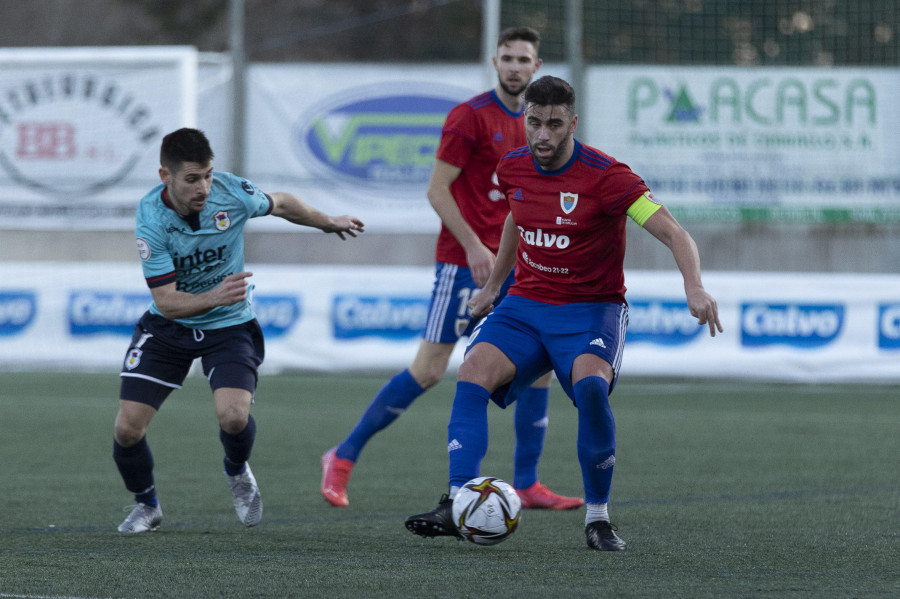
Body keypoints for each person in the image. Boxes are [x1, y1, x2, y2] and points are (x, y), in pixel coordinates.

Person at [404, 76, 723, 550]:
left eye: (554, 125)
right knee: (470, 373)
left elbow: (675, 232)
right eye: (534, 123)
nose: (543, 135)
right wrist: (494, 286)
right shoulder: (512, 167)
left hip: (592, 310)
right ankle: (457, 501)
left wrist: (693, 286)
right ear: (525, 121)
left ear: (572, 122)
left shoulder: (608, 177)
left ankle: (598, 519)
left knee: (592, 389)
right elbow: (516, 218)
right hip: (526, 305)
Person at [320, 27, 582, 511]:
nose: (515, 67)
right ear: (495, 62)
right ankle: (342, 455)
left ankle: (526, 482)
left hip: (520, 268)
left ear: (536, 66)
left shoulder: (539, 125)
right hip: (463, 264)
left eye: (524, 59)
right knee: (429, 370)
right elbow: (437, 190)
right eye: (507, 58)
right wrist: (473, 249)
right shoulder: (470, 116)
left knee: (539, 368)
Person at [113, 127, 365, 533]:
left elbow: (281, 203)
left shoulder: (232, 193)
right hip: (168, 328)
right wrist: (215, 294)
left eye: (209, 175)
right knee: (127, 430)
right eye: (193, 179)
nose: (205, 187)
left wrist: (325, 222)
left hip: (228, 326)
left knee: (233, 418)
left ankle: (236, 470)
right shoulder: (151, 218)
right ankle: (147, 505)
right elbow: (166, 301)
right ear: (166, 177)